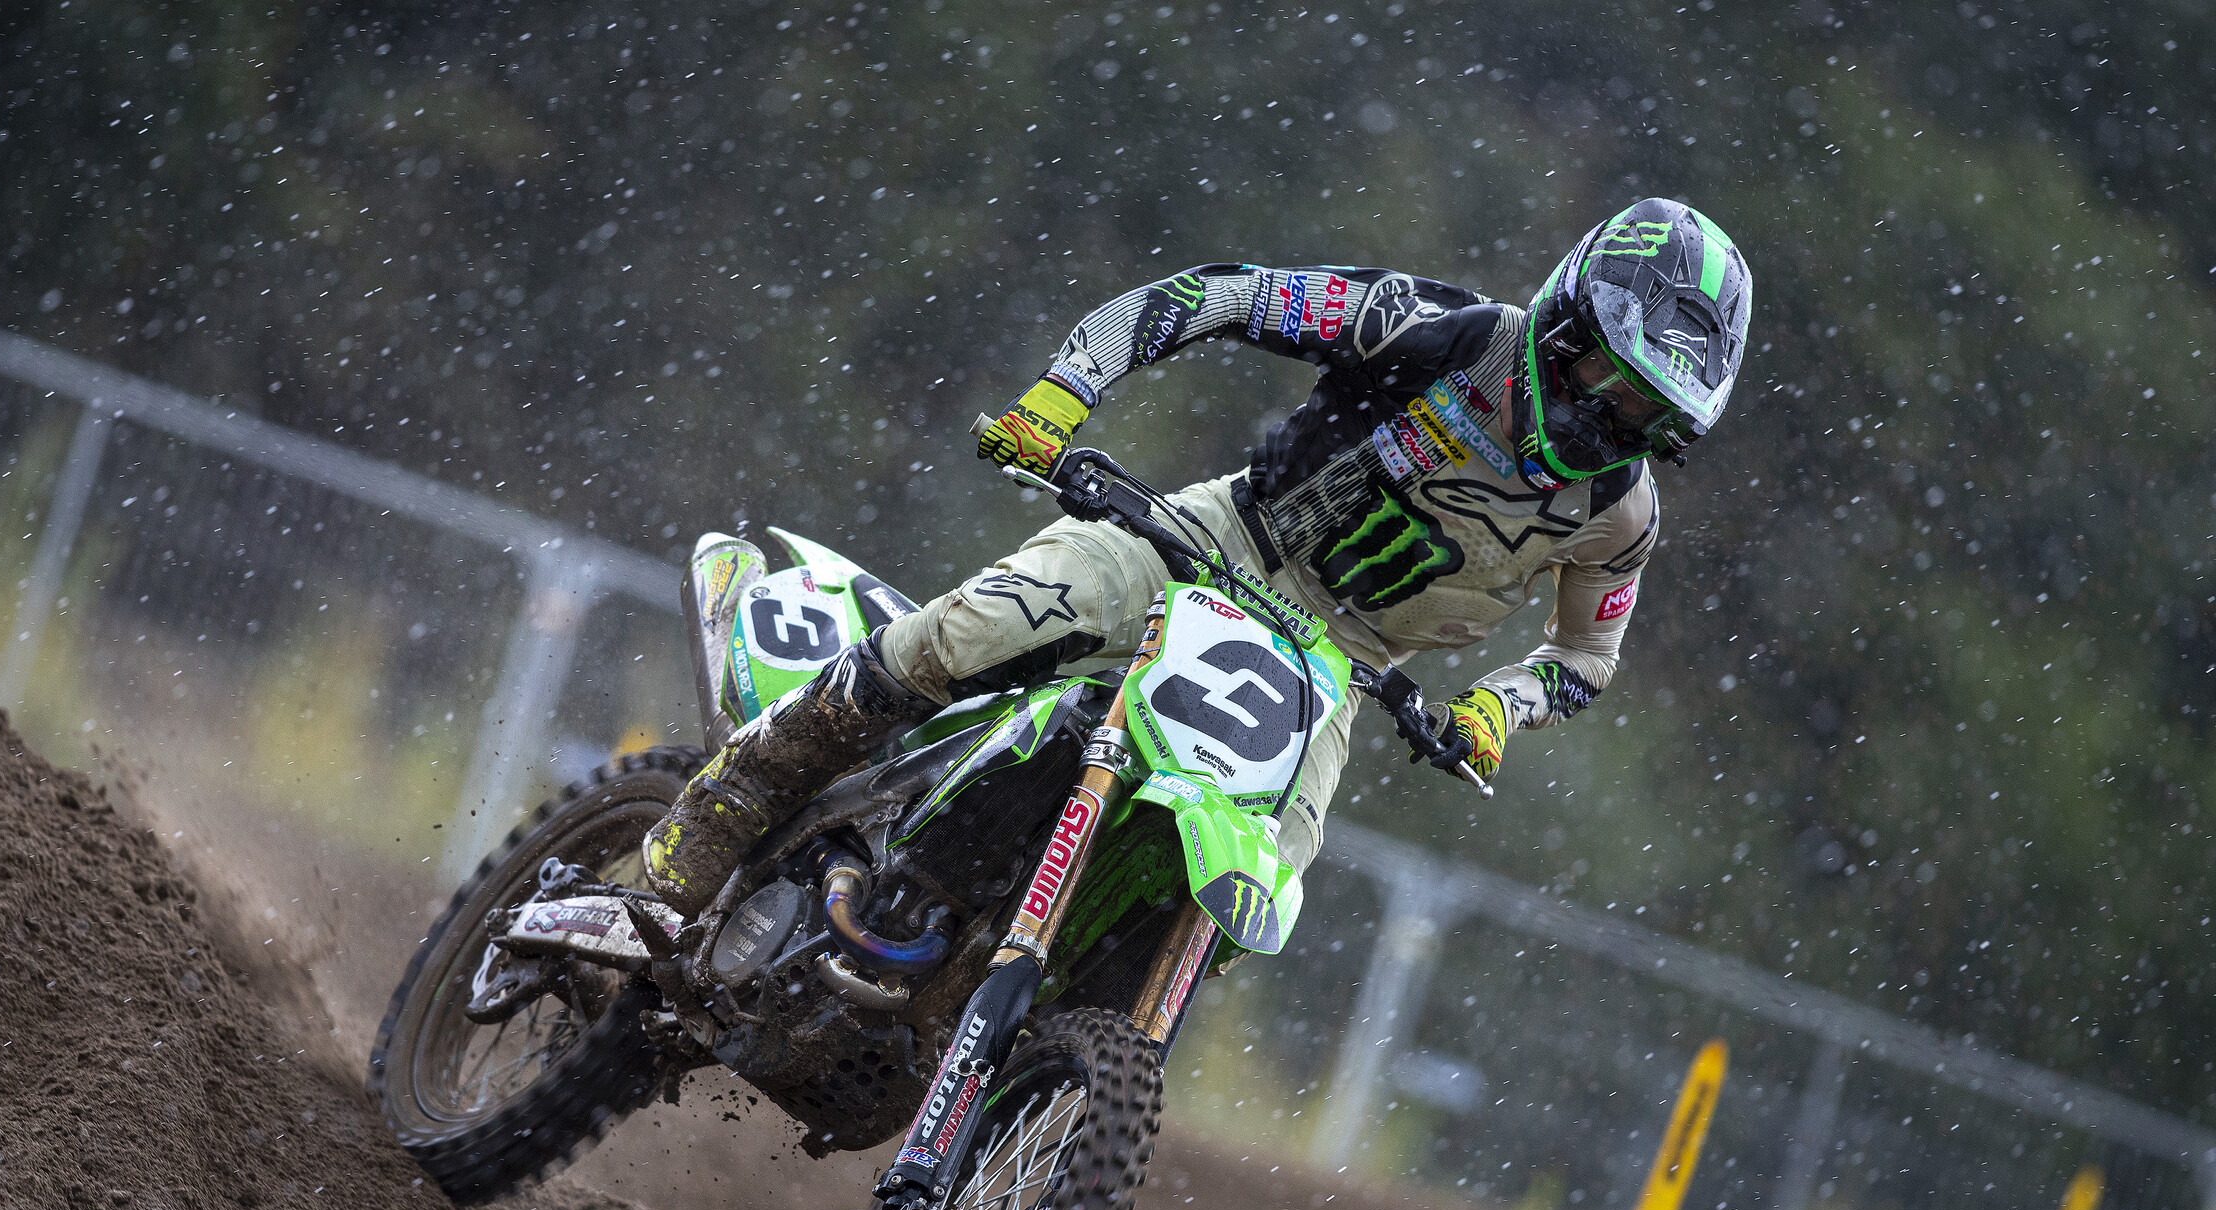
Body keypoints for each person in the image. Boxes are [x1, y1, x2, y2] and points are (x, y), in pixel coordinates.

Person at [642, 198, 1754, 915]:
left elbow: (1585, 656)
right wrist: (1063, 393)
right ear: (1567, 319)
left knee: (1257, 893)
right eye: (1607, 379)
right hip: (1216, 542)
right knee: (975, 630)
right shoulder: (1433, 328)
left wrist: (1498, 710)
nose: (1611, 419)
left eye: (1645, 415)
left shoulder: (1622, 515)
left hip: (1341, 666)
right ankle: (737, 794)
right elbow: (1222, 295)